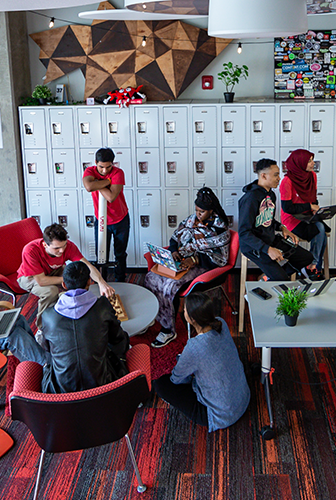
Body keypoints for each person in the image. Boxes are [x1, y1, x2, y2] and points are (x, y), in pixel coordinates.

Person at [144, 187, 231, 348]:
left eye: (202, 211)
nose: (198, 214)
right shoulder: (191, 220)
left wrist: (195, 259)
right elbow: (175, 237)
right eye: (197, 210)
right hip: (183, 259)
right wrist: (174, 250)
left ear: (211, 211)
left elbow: (220, 259)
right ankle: (158, 316)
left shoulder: (220, 228)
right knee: (151, 278)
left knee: (170, 285)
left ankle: (168, 329)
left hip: (206, 266)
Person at [154, 292, 250, 432]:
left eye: (185, 309)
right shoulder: (221, 322)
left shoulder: (194, 347)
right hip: (243, 397)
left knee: (161, 384)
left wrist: (185, 363)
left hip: (220, 415)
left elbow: (177, 379)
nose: (183, 311)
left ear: (191, 318)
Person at [40, 262, 131, 394]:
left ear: (64, 285)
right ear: (90, 281)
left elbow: (47, 350)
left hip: (60, 392)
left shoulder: (48, 315)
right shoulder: (103, 307)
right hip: (103, 385)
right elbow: (118, 339)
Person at [17, 223, 114, 331]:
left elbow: (87, 266)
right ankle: (42, 328)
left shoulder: (69, 246)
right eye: (57, 248)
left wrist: (101, 283)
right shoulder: (30, 250)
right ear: (45, 245)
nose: (62, 251)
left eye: (64, 246)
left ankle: (78, 319)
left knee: (79, 281)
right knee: (51, 291)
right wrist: (68, 279)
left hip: (54, 271)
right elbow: (41, 281)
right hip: (29, 277)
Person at [238, 158, 315, 281]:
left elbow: (268, 220)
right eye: (276, 175)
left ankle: (269, 278)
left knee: (306, 257)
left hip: (270, 239)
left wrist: (283, 228)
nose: (279, 178)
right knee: (282, 279)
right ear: (263, 176)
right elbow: (244, 233)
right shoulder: (250, 199)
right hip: (254, 246)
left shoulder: (271, 195)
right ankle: (277, 278)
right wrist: (268, 249)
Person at [82, 147, 130, 282]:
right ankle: (102, 282)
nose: (104, 171)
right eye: (101, 167)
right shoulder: (89, 171)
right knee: (101, 255)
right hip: (102, 220)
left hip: (120, 219)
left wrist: (97, 183)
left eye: (108, 167)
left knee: (120, 254)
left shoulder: (118, 172)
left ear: (113, 164)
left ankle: (120, 281)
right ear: (95, 162)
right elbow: (89, 187)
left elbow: (111, 197)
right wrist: (108, 181)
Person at [278, 149, 328, 280]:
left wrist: (315, 210)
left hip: (307, 215)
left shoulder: (312, 176)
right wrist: (309, 206)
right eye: (309, 161)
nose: (313, 163)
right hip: (291, 218)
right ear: (300, 163)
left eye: (312, 160)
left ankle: (311, 267)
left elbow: (313, 198)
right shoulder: (287, 181)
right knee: (320, 230)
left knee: (321, 230)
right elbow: (287, 208)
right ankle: (312, 267)